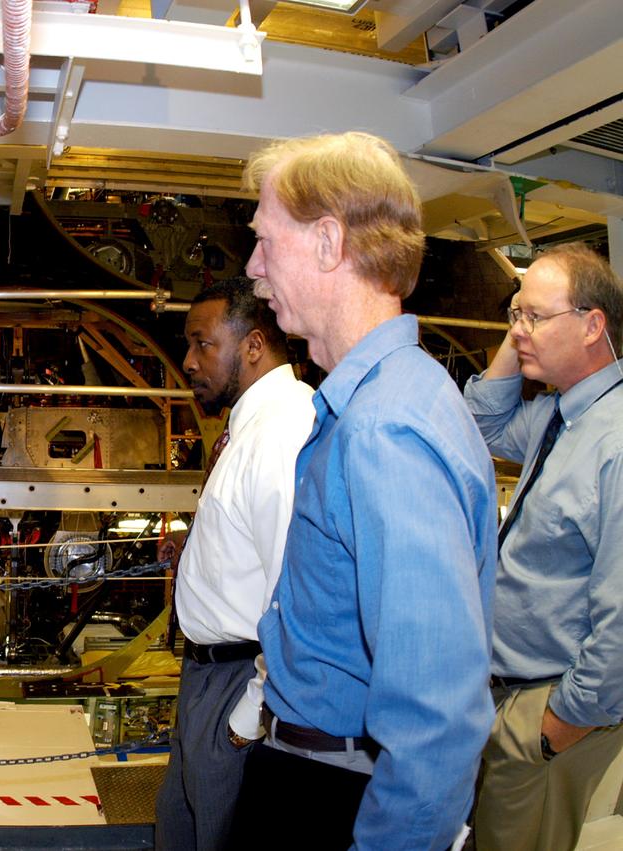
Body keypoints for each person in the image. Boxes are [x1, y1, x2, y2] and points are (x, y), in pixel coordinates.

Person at [228, 131, 497, 850]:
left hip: (334, 794)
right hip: (310, 766)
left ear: (326, 242)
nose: (253, 268)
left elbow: (436, 714)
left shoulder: (384, 430)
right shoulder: (387, 399)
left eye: (264, 240)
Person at [465, 243, 623, 851]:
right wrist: (522, 329)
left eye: (534, 317)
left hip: (550, 709)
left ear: (592, 325)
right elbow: (477, 425)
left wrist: (556, 727)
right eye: (515, 314)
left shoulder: (612, 440)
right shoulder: (559, 416)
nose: (519, 331)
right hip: (510, 698)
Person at [153, 276, 314, 850]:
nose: (189, 361)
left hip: (238, 683)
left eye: (203, 344)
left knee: (216, 835)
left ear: (252, 346)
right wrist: (200, 549)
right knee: (181, 824)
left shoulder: (281, 435)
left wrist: (249, 716)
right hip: (208, 678)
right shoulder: (248, 429)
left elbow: (297, 588)